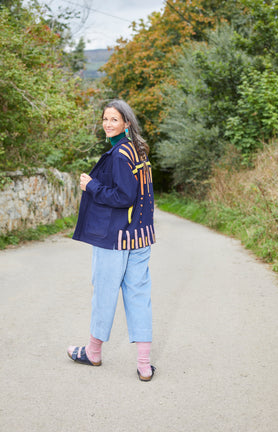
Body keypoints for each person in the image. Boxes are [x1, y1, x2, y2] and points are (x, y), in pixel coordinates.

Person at [67, 99, 156, 381]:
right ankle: (144, 364)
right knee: (139, 297)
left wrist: (91, 186)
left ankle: (93, 352)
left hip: (116, 237)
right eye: (105, 119)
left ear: (126, 123)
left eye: (114, 119)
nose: (108, 124)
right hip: (140, 237)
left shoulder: (119, 154)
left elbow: (124, 197)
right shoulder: (137, 150)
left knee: (104, 293)